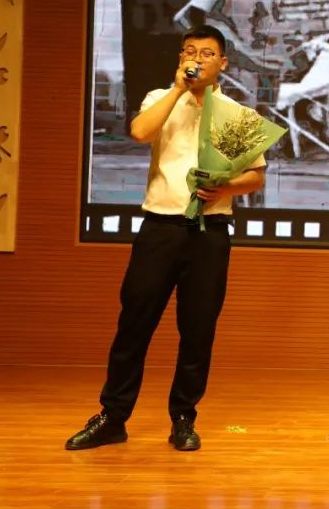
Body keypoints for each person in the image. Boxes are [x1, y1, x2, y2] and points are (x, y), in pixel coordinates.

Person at [65, 26, 267, 452]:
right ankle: (113, 417)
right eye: (189, 51)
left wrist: (226, 187)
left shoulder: (236, 114)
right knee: (134, 324)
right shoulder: (160, 98)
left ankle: (183, 418)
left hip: (209, 231)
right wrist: (178, 90)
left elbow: (255, 177)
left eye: (207, 53)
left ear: (222, 63)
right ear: (180, 58)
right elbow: (140, 133)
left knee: (198, 331)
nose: (197, 59)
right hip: (159, 228)